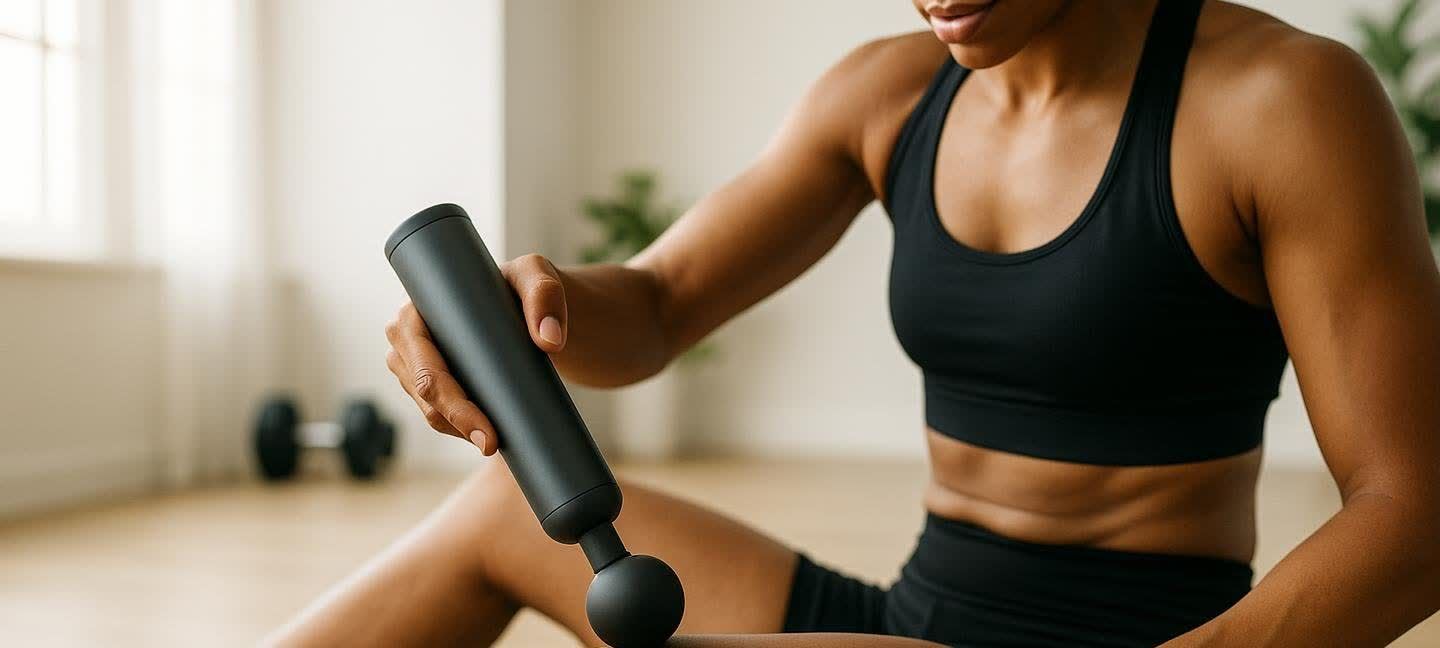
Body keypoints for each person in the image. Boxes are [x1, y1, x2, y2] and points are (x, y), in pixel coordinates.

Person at [271, 1, 1440, 646]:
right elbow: (664, 302)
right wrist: (538, 310)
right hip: (913, 615)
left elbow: (1414, 511)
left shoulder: (1279, 100)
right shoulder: (887, 94)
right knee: (496, 512)